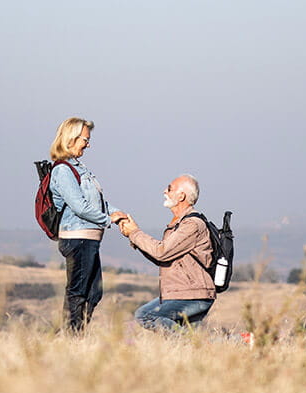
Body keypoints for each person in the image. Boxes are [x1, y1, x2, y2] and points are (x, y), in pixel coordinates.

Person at [48, 117, 123, 332]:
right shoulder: (62, 171)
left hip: (88, 239)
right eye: (85, 139)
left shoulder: (78, 167)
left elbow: (96, 202)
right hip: (77, 238)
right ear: (71, 138)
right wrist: (108, 220)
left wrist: (116, 213)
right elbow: (80, 207)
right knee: (78, 292)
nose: (88, 144)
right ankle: (70, 336)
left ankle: (72, 333)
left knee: (93, 293)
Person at [111, 174, 215, 330]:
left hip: (192, 294)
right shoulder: (178, 225)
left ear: (181, 196)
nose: (164, 191)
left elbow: (161, 252)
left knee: (146, 315)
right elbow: (161, 258)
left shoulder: (192, 225)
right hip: (184, 293)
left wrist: (135, 233)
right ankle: (241, 341)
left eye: (169, 188)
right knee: (194, 338)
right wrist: (133, 236)